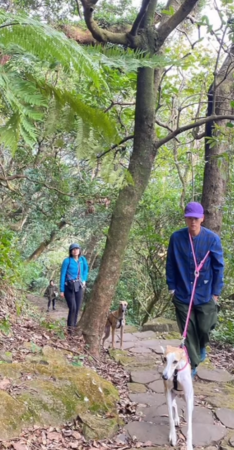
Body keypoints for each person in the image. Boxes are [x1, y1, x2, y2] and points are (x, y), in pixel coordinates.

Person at [166, 201, 224, 378]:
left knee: (205, 327)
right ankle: (192, 365)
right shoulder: (176, 238)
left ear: (202, 219)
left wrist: (216, 292)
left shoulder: (212, 239)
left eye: (196, 218)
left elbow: (218, 267)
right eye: (190, 218)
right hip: (183, 293)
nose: (193, 222)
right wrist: (172, 287)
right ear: (185, 219)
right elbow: (171, 263)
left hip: (205, 293)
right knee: (188, 331)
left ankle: (200, 346)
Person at [60, 243, 89, 333]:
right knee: (72, 307)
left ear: (79, 250)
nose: (75, 251)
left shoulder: (82, 260)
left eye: (77, 249)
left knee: (77, 308)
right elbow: (63, 275)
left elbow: (85, 270)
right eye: (73, 249)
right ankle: (69, 329)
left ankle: (74, 327)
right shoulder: (67, 261)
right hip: (68, 286)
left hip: (79, 286)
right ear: (71, 251)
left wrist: (84, 280)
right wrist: (62, 290)